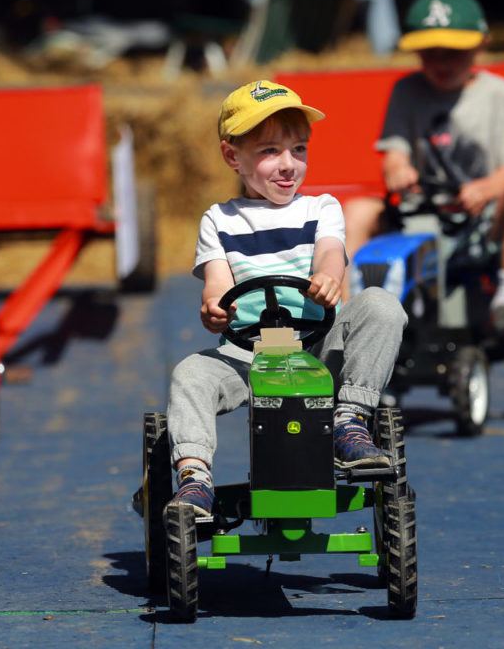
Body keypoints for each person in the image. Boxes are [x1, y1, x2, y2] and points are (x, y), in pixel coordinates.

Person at [164, 79, 407, 517]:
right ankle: (195, 475)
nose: (288, 164)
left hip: (317, 348)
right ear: (231, 156)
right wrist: (216, 307)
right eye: (270, 151)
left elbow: (332, 251)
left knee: (381, 306)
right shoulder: (219, 220)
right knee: (190, 374)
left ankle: (348, 419)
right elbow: (216, 283)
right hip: (247, 355)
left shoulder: (321, 208)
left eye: (299, 149)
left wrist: (330, 276)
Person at [341, 0, 504, 338]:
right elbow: (393, 154)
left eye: (454, 53)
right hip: (419, 212)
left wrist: (486, 188)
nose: (441, 63)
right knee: (355, 211)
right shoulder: (406, 91)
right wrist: (397, 170)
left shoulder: (500, 95)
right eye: (430, 53)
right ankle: (347, 313)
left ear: (481, 44)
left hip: (481, 221)